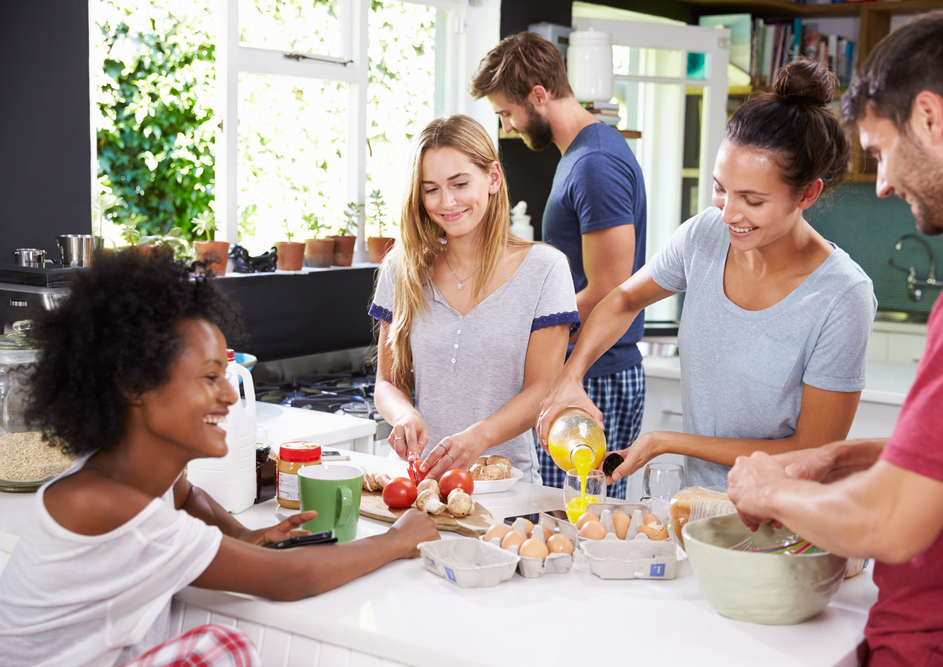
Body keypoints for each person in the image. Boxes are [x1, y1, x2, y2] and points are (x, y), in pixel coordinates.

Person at [0, 251, 439, 667]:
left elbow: (185, 493)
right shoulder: (110, 506)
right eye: (211, 377)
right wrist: (395, 540)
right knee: (223, 645)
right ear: (136, 385)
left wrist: (241, 535)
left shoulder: (121, 476)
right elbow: (291, 578)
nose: (230, 394)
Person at [726, 12, 943, 665]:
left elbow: (891, 523)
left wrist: (771, 491)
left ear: (930, 118)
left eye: (879, 151)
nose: (881, 183)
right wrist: (844, 458)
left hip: (940, 645)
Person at [537, 59, 877, 491]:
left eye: (752, 200)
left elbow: (812, 447)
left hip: (785, 527)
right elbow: (623, 299)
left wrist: (667, 441)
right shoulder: (705, 236)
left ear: (807, 193)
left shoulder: (843, 295)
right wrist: (571, 375)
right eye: (721, 188)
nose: (729, 213)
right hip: (696, 514)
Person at [469, 31, 647, 499]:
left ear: (539, 95)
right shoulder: (583, 156)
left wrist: (530, 335)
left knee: (574, 523)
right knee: (569, 521)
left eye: (507, 112)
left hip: (596, 374)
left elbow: (611, 287)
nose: (507, 127)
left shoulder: (596, 164)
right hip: (592, 370)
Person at [370, 114, 579, 483]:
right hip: (420, 482)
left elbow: (542, 390)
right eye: (430, 188)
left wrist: (479, 437)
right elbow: (387, 383)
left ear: (493, 178)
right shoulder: (403, 268)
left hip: (503, 487)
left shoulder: (545, 269)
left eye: (460, 183)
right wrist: (404, 415)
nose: (446, 201)